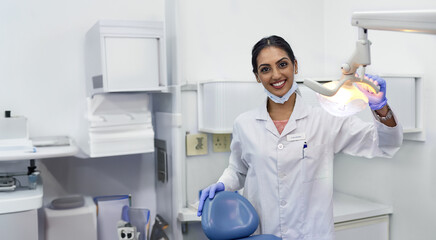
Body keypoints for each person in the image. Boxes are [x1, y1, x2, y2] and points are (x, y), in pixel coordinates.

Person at [197, 35, 403, 240]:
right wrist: (224, 184)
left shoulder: (325, 118)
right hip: (264, 233)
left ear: (295, 66)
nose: (276, 75)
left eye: (282, 64)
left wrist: (380, 107)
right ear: (257, 76)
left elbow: (385, 144)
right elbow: (238, 170)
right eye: (265, 69)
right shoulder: (245, 124)